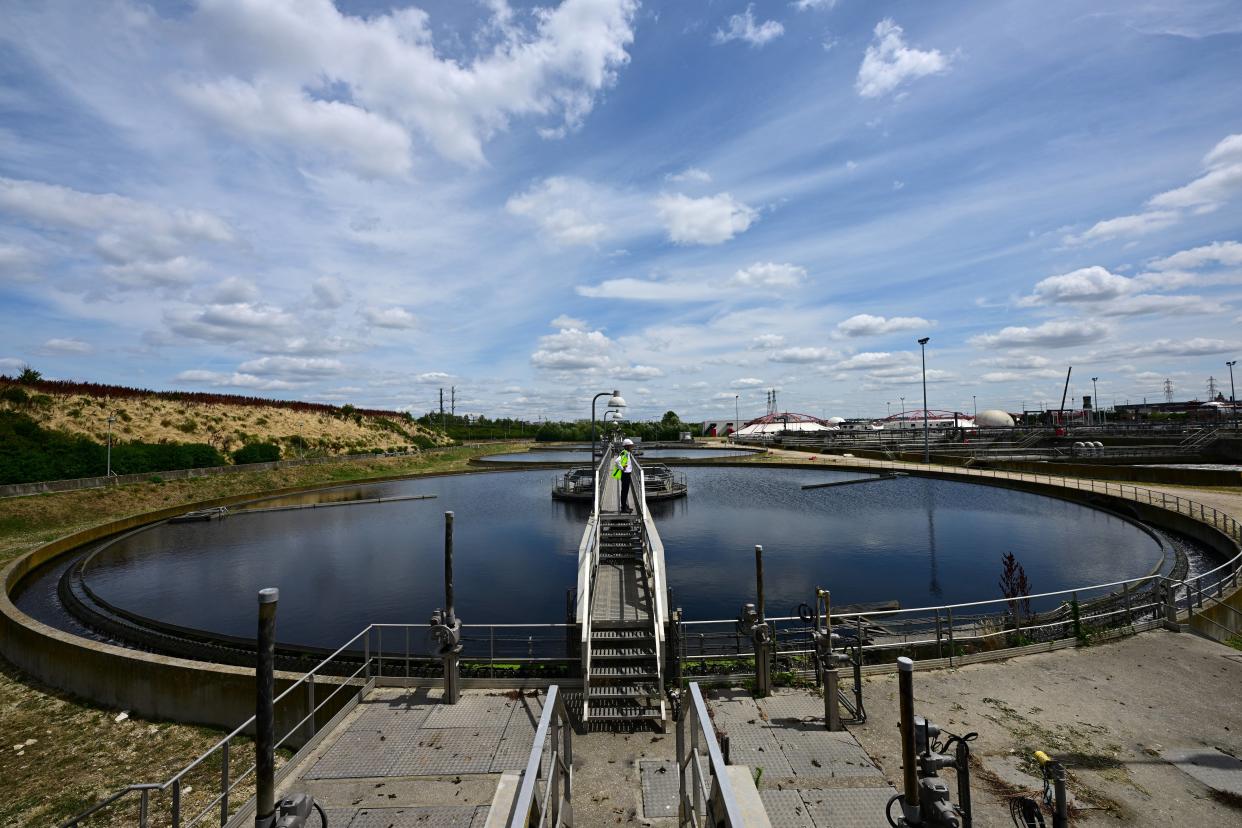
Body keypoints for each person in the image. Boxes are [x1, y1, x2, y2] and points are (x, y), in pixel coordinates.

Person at [614, 438, 635, 513]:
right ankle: (623, 508)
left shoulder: (627, 452)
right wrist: (622, 468)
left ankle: (625, 506)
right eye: (630, 446)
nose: (632, 447)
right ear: (626, 446)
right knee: (624, 491)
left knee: (625, 491)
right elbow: (617, 461)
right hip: (625, 474)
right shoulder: (624, 452)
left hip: (627, 474)